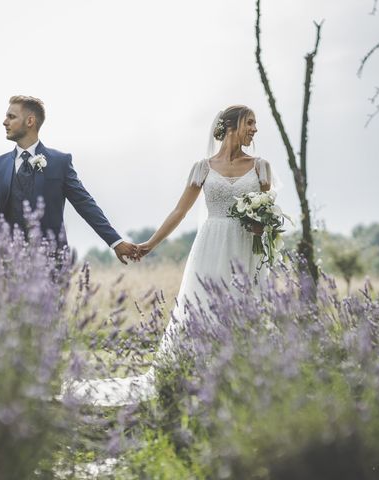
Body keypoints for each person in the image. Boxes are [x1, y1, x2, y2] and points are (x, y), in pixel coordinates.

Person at [60, 105, 274, 406]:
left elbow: (267, 214)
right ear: (230, 126)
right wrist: (150, 244)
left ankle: (244, 379)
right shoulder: (203, 168)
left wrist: (260, 225)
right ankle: (200, 378)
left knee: (245, 306)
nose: (254, 129)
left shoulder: (261, 167)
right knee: (205, 308)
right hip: (210, 247)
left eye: (255, 124)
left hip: (245, 247)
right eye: (250, 123)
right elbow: (180, 211)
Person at [0, 95, 137, 263]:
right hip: (5, 267)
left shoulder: (59, 162)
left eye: (11, 117)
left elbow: (85, 204)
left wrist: (115, 242)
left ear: (30, 121)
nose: (4, 122)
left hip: (51, 264)